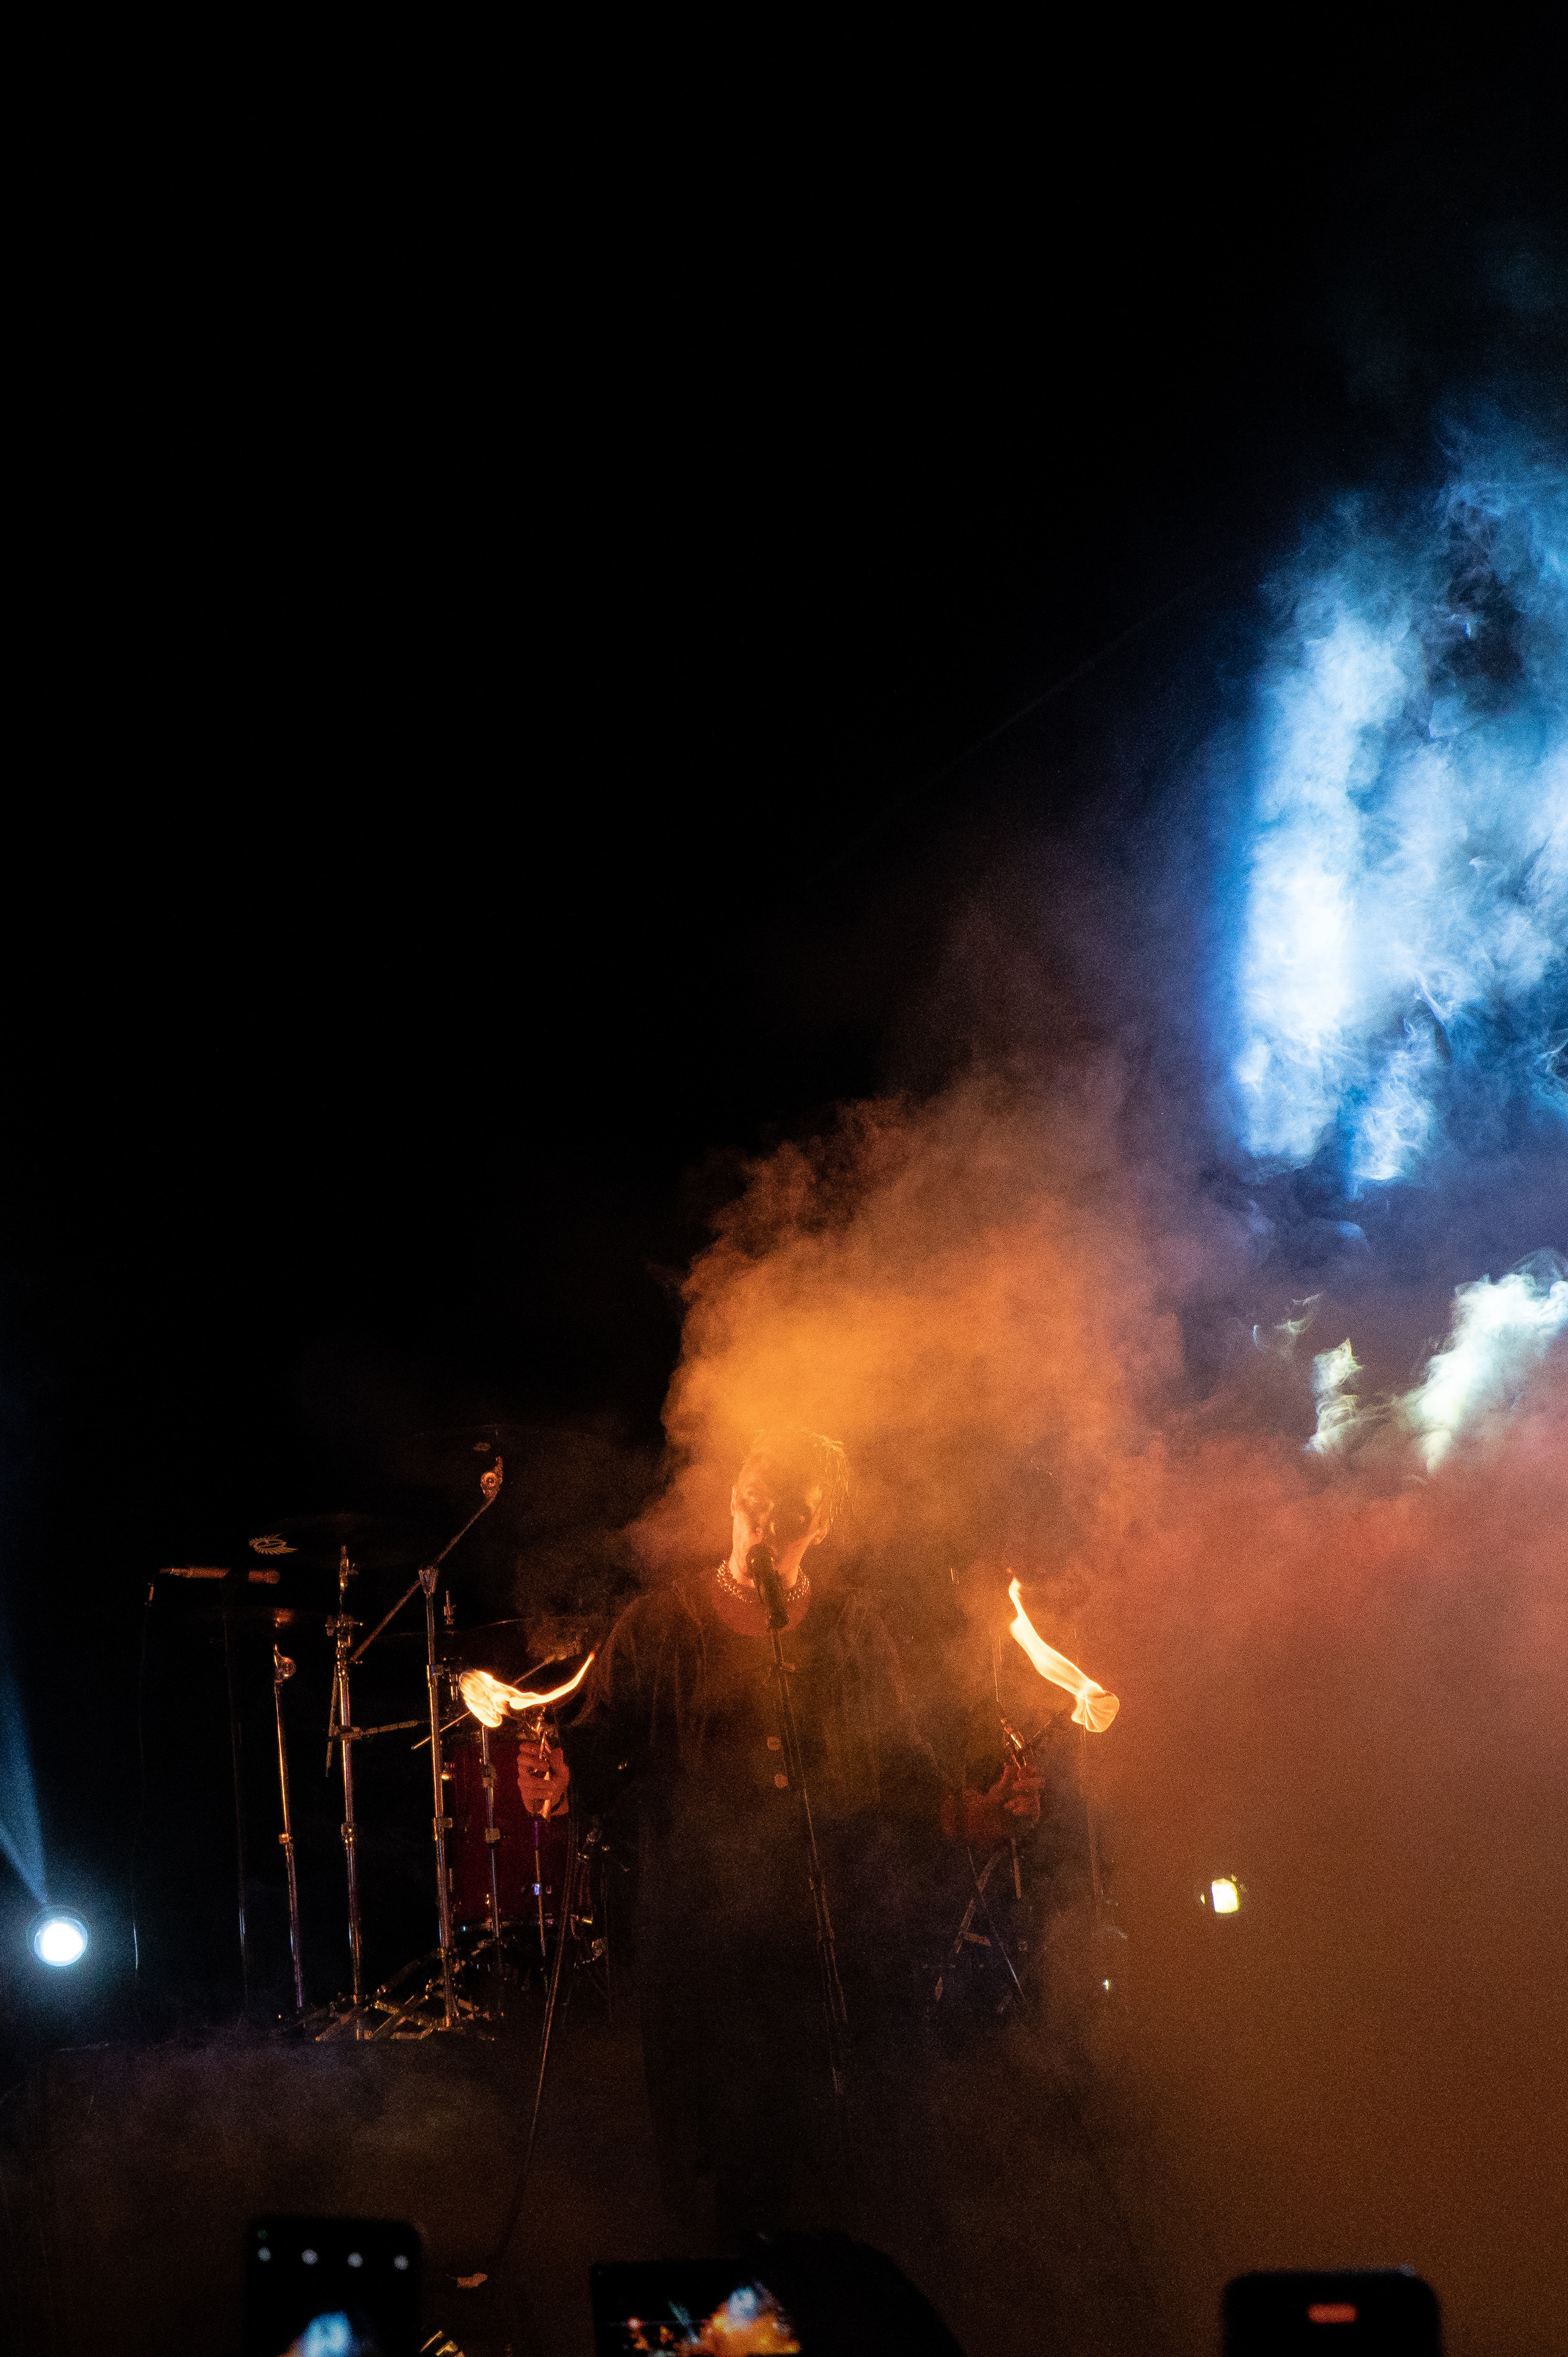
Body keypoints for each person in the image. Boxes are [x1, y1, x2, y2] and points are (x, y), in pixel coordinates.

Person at [522, 1427, 1040, 2240]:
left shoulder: (848, 1629)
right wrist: (554, 1787)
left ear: (822, 1524)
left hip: (827, 1922)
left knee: (831, 2140)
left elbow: (901, 1772)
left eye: (787, 1511)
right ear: (733, 1501)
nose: (762, 1524)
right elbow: (594, 1754)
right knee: (722, 2151)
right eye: (752, 1503)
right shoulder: (660, 1625)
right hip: (700, 1933)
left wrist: (978, 1813)